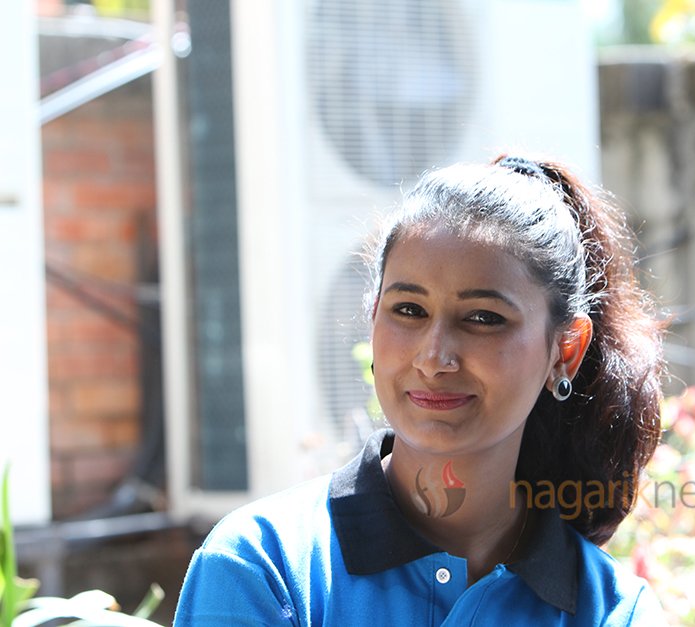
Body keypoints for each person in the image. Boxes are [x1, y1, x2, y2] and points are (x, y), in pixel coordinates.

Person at [175, 154, 666, 625]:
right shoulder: (265, 566)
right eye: (409, 310)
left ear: (565, 351)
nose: (433, 358)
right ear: (374, 318)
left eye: (483, 318)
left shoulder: (614, 612)